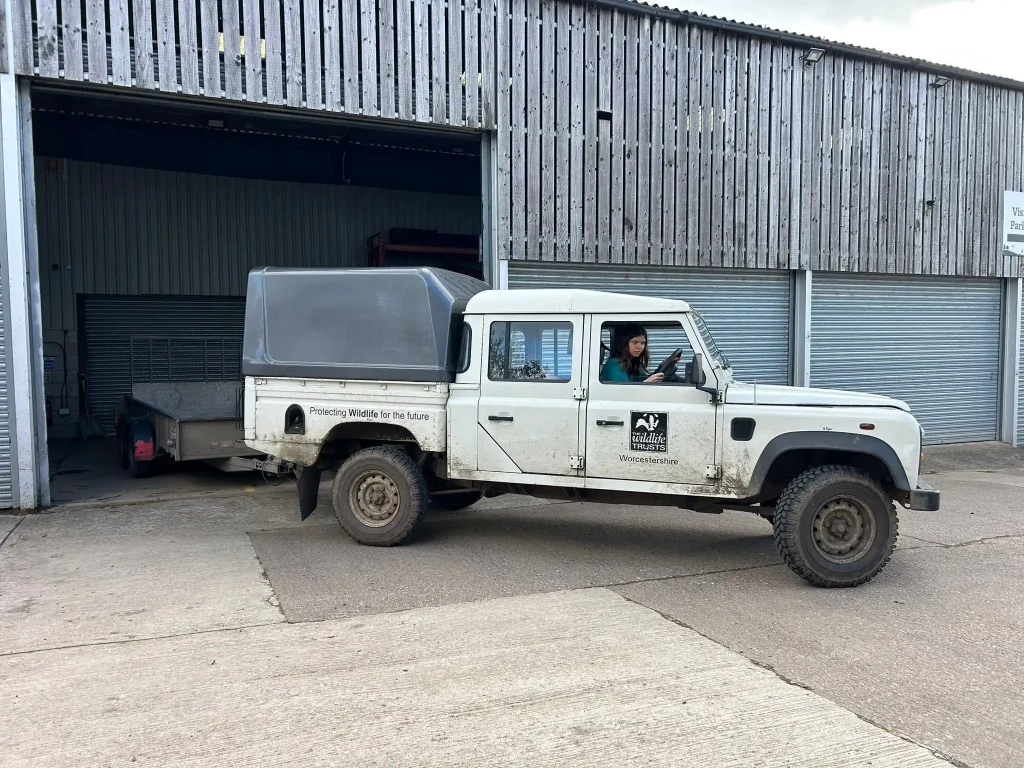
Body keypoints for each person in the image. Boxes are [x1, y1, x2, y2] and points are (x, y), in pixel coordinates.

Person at [599, 324, 665, 383]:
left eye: (642, 343)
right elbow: (623, 393)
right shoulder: (616, 365)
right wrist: (646, 383)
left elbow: (642, 378)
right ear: (624, 343)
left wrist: (661, 367)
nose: (639, 347)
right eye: (635, 342)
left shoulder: (632, 363)